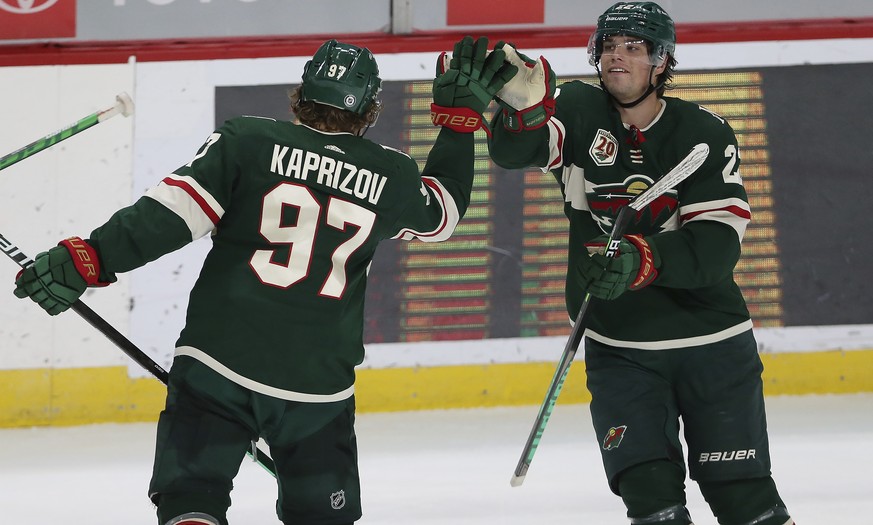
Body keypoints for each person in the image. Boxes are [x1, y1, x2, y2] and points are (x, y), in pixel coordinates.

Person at [13, 37, 515, 525]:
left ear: (302, 94)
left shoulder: (247, 142)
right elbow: (443, 214)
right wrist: (457, 126)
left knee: (191, 497)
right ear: (370, 110)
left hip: (218, 366)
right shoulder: (394, 175)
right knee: (321, 515)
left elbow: (166, 218)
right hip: (317, 391)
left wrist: (90, 259)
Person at [486, 3, 794, 525]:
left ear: (661, 62)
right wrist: (521, 112)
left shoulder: (704, 134)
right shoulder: (577, 110)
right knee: (654, 505)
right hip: (621, 350)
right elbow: (515, 153)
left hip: (711, 346)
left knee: (746, 502)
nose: (616, 57)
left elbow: (717, 250)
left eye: (633, 47)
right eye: (608, 46)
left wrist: (641, 259)